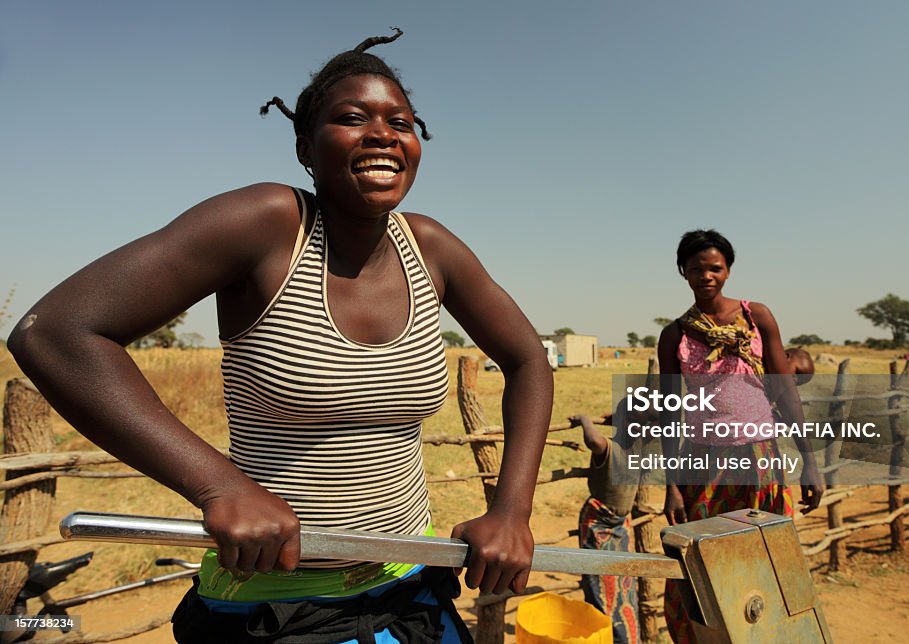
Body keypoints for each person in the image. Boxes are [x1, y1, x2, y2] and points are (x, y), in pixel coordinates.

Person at [7, 29, 553, 643]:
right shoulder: (268, 225)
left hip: (411, 587)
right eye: (352, 118)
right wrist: (221, 486)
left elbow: (528, 358)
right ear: (304, 147)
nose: (382, 134)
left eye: (401, 122)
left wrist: (512, 510)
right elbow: (53, 332)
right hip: (278, 605)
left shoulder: (431, 247)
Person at [656, 229, 823, 644]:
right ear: (684, 272)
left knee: (769, 556)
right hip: (704, 461)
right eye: (697, 268)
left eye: (715, 267)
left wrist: (810, 462)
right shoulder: (675, 336)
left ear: (728, 270)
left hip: (759, 457)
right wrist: (673, 486)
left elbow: (783, 390)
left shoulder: (757, 317)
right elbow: (667, 412)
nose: (707, 275)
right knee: (697, 565)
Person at [570, 413, 640, 644]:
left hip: (620, 528)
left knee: (623, 588)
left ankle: (623, 638)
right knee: (601, 588)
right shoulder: (610, 449)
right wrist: (585, 420)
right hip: (601, 526)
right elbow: (594, 441)